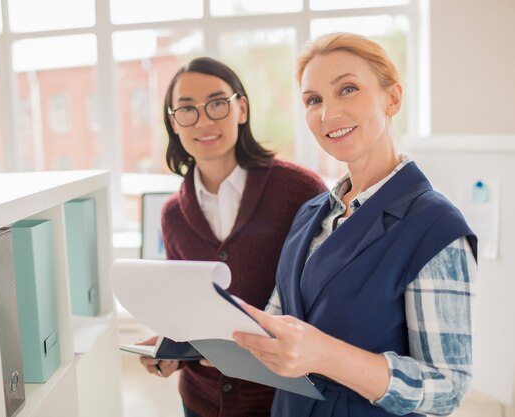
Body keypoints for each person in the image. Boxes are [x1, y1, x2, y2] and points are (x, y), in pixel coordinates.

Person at [233, 33, 478, 417]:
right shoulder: (311, 213)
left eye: (348, 89)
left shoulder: (436, 227)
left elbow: (447, 388)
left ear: (392, 99)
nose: (328, 115)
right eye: (314, 100)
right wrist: (210, 337)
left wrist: (326, 355)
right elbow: (280, 319)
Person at [138, 57, 327, 417]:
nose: (204, 120)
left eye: (217, 103)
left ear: (241, 108)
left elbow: (322, 301)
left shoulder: (299, 190)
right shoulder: (173, 215)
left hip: (280, 400)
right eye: (187, 109)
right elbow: (186, 308)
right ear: (173, 123)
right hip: (201, 401)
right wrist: (174, 350)